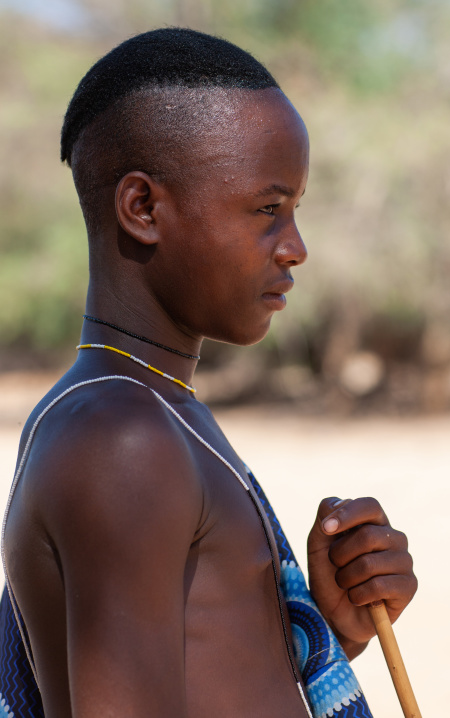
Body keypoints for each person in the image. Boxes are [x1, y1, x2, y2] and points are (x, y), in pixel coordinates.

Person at [0, 28, 417, 718]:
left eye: (295, 211)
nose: (295, 248)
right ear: (142, 209)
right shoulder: (122, 438)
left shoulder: (153, 410)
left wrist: (318, 637)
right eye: (266, 209)